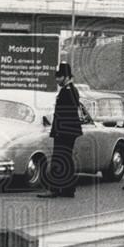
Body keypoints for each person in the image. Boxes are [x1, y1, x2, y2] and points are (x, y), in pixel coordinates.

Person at [38, 61, 82, 198]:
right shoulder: (71, 90)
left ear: (67, 76)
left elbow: (67, 114)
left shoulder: (67, 91)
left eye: (60, 76)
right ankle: (68, 189)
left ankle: (54, 189)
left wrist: (58, 131)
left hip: (64, 131)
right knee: (66, 159)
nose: (57, 79)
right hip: (69, 131)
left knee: (59, 159)